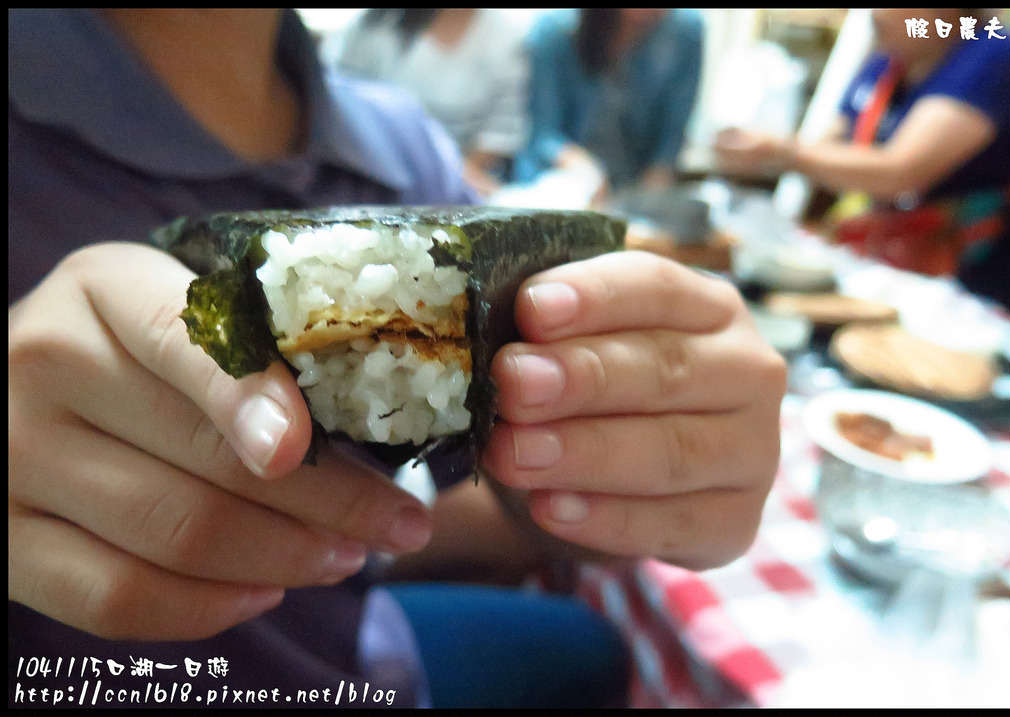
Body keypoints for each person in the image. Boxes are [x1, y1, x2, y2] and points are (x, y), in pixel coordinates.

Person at [8, 8, 786, 709]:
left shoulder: (402, 147)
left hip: (357, 665)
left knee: (596, 650)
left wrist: (617, 462)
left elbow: (494, 478)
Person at [713, 8, 1010, 314]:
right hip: (887, 267)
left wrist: (784, 152)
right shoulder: (890, 59)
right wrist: (781, 152)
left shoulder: (993, 51)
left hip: (971, 288)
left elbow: (899, 173)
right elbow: (826, 148)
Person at [321, 8, 529, 198]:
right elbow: (337, 106)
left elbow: (499, 134)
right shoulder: (372, 26)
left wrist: (452, 176)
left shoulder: (506, 36)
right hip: (374, 175)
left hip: (469, 184)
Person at [513, 8, 705, 196]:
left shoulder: (685, 29)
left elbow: (672, 136)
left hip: (633, 189)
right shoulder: (554, 29)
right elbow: (541, 134)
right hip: (562, 184)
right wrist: (585, 172)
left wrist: (652, 193)